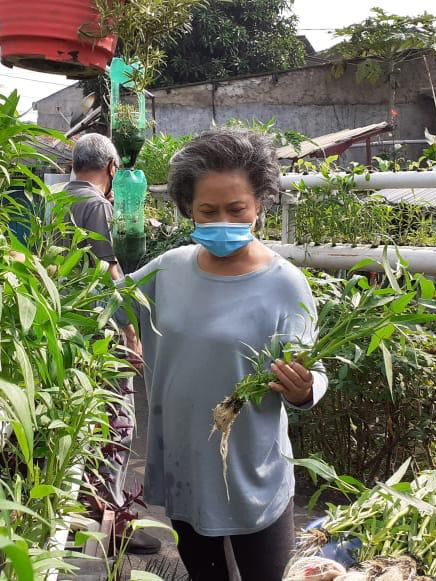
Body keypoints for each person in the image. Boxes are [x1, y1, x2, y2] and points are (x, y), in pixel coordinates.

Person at [116, 129, 328, 580]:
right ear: (187, 208)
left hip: (254, 475)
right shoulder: (168, 270)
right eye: (207, 211)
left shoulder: (285, 284)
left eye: (237, 210)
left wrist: (304, 389)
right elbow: (102, 306)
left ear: (259, 206)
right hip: (185, 469)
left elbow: (312, 373)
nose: (222, 221)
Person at [64, 133, 161, 555]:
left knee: (77, 420)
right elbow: (111, 270)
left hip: (63, 328)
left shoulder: (53, 200)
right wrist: (130, 332)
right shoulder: (99, 206)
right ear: (111, 169)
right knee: (116, 422)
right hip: (99, 330)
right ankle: (113, 520)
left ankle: (70, 512)